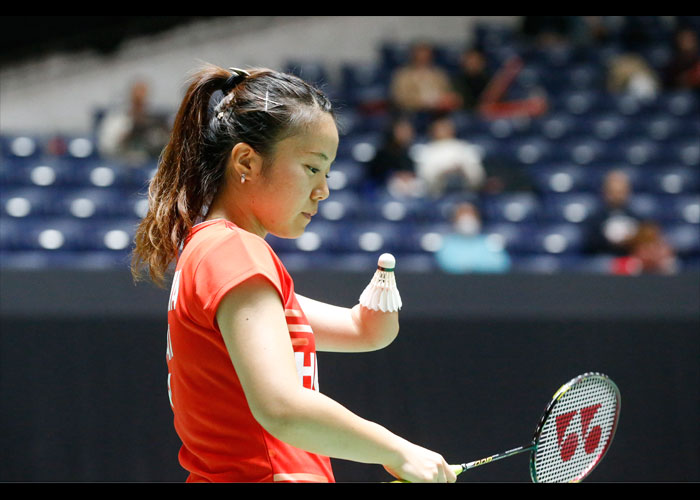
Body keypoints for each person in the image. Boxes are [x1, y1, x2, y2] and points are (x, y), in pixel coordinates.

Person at [130, 64, 456, 484]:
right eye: (311, 168)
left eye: (328, 174)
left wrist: (375, 314)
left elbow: (362, 331)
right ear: (246, 160)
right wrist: (397, 450)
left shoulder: (215, 252)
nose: (323, 191)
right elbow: (281, 406)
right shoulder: (234, 254)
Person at [97, 79, 171, 165]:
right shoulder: (118, 120)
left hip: (149, 163)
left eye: (142, 101)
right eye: (137, 101)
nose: (140, 105)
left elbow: (163, 146)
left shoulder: (152, 120)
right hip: (123, 164)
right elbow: (106, 147)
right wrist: (127, 134)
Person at [413, 115, 486, 198]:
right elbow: (424, 177)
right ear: (433, 131)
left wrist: (463, 170)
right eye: (440, 128)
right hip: (437, 196)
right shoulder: (427, 151)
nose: (443, 131)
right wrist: (442, 172)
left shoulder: (464, 147)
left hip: (465, 193)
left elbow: (478, 174)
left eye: (446, 127)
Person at [435, 202, 511, 274]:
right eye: (462, 218)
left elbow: (501, 264)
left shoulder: (489, 241)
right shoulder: (447, 243)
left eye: (471, 217)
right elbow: (446, 264)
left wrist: (474, 268)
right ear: (455, 221)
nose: (467, 222)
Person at [389, 41, 461, 114]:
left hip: (439, 112)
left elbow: (447, 92)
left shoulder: (439, 74)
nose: (423, 57)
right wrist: (423, 103)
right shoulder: (403, 75)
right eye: (420, 54)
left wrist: (445, 100)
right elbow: (400, 98)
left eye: (426, 54)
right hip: (411, 112)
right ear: (413, 55)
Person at [586, 169, 641, 256]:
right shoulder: (595, 219)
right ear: (605, 192)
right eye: (613, 191)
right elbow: (589, 245)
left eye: (620, 192)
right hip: (604, 260)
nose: (617, 196)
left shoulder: (637, 218)